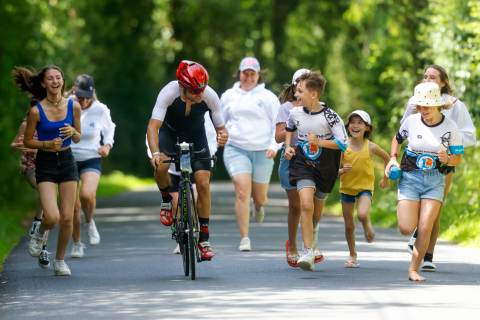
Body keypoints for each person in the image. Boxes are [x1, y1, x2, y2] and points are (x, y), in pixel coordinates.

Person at [147, 60, 228, 261]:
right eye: (194, 90)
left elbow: (221, 128)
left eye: (202, 89)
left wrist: (223, 136)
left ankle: (204, 238)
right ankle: (166, 199)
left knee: (203, 184)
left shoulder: (209, 95)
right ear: (182, 87)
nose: (199, 94)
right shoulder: (168, 93)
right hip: (169, 133)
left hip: (196, 134)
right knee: (161, 166)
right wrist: (156, 153)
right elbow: (152, 127)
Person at [401, 65, 476, 272]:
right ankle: (417, 232)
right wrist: (418, 114)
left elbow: (470, 135)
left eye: (432, 77)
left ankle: (428, 256)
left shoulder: (455, 106)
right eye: (424, 76)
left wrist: (447, 130)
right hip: (415, 163)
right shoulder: (413, 102)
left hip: (442, 163)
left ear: (443, 83)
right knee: (416, 206)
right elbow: (403, 129)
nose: (427, 80)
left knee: (436, 209)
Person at [386, 82, 464, 281]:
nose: (422, 111)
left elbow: (457, 158)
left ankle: (414, 270)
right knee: (406, 227)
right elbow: (397, 139)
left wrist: (447, 159)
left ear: (437, 104)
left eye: (426, 106)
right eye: (419, 106)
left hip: (436, 180)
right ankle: (415, 222)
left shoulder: (450, 126)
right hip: (410, 178)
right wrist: (393, 158)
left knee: (425, 227)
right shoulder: (411, 121)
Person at [12, 65, 82, 276]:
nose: (55, 81)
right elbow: (28, 141)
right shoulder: (36, 111)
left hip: (68, 162)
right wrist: (46, 145)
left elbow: (78, 138)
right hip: (46, 164)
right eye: (50, 78)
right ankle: (39, 233)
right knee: (51, 217)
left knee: (67, 218)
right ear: (43, 83)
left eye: (58, 77)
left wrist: (73, 131)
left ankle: (59, 261)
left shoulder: (74, 107)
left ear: (62, 81)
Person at [284, 71, 348, 271]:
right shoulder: (295, 112)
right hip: (302, 163)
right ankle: (307, 251)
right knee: (305, 204)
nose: (295, 95)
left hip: (326, 165)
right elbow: (289, 127)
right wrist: (288, 146)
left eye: (300, 91)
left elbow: (343, 144)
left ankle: (313, 232)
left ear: (313, 94)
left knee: (316, 213)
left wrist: (319, 142)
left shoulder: (330, 116)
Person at [220, 57, 281, 252]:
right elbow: (219, 122)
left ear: (258, 75)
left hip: (263, 151)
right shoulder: (228, 96)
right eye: (245, 73)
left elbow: (277, 125)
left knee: (260, 198)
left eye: (252, 74)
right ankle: (244, 238)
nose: (248, 77)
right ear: (239, 74)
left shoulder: (268, 97)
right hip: (235, 148)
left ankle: (259, 206)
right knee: (242, 191)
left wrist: (274, 146)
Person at [146, 112, 217, 254]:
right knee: (176, 202)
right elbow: (152, 138)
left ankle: (197, 233)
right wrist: (156, 156)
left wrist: (208, 154)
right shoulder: (166, 113)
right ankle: (182, 235)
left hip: (193, 164)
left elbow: (211, 140)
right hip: (171, 166)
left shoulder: (203, 116)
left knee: (195, 197)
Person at [275, 69, 323, 267]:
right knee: (296, 206)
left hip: (314, 157)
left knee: (309, 206)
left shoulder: (321, 108)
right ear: (295, 87)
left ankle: (309, 246)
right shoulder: (286, 108)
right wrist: (292, 127)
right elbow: (278, 136)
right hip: (291, 157)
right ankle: (293, 245)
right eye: (299, 86)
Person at [66, 75, 116, 258]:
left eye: (87, 96)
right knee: (73, 205)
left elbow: (110, 128)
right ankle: (77, 243)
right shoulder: (66, 105)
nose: (84, 101)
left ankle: (89, 222)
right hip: (68, 158)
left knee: (87, 195)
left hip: (91, 158)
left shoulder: (100, 109)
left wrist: (107, 146)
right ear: (74, 92)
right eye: (80, 96)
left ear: (92, 93)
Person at [338, 110, 390, 268]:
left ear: (367, 128)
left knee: (361, 214)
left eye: (360, 123)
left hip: (365, 188)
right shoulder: (343, 147)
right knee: (348, 225)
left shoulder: (371, 147)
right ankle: (352, 254)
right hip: (346, 188)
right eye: (352, 122)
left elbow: (388, 158)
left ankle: (367, 223)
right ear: (348, 127)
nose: (355, 125)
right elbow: (334, 171)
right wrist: (342, 171)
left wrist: (386, 177)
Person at [10, 104, 50, 269]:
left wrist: (33, 149)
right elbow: (13, 148)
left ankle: (43, 249)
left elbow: (53, 150)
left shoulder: (49, 127)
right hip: (31, 169)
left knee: (50, 209)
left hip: (47, 167)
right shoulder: (25, 125)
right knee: (43, 185)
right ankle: (37, 220)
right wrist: (18, 145)